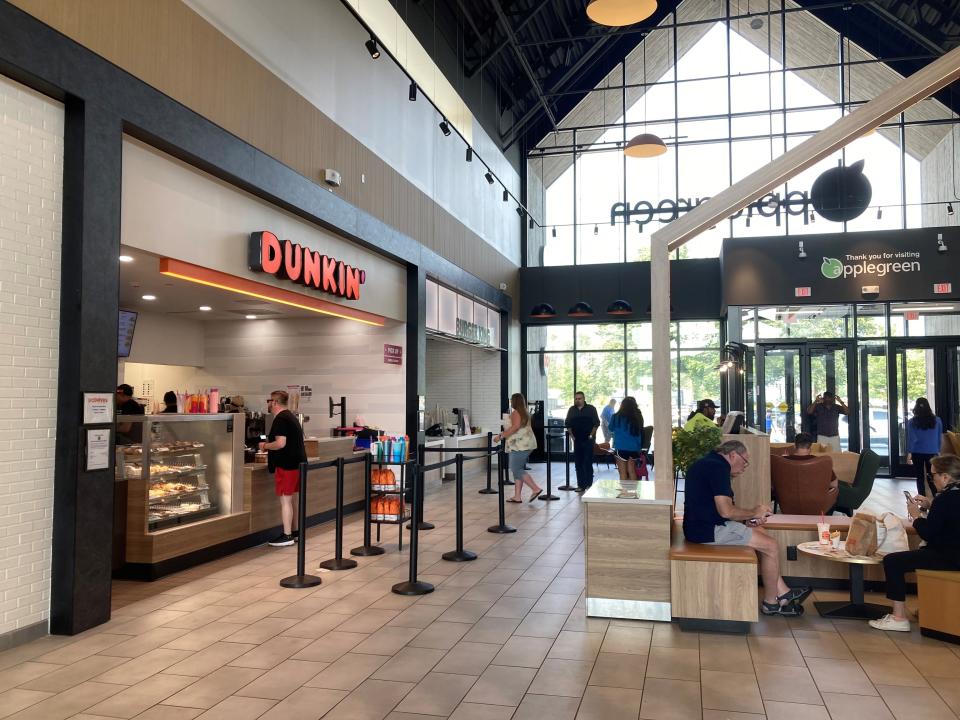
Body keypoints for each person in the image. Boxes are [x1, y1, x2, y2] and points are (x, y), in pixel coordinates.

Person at [682, 440, 812, 616]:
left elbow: (714, 509)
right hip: (707, 530)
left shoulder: (708, 463)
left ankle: (783, 593)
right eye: (744, 461)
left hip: (699, 526)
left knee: (761, 533)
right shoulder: (719, 468)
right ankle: (771, 603)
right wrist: (753, 512)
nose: (745, 467)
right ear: (733, 455)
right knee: (771, 545)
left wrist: (748, 520)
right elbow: (726, 511)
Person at [869, 454, 960, 632]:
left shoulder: (944, 499)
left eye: (932, 476)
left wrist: (916, 516)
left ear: (945, 476)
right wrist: (930, 505)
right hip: (954, 552)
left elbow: (929, 533)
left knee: (893, 561)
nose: (931, 480)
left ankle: (898, 617)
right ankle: (931, 608)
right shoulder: (950, 496)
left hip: (949, 556)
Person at [260, 390, 307, 547]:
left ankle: (287, 536)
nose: (268, 403)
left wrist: (265, 446)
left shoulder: (280, 419)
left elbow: (280, 443)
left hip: (287, 465)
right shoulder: (290, 416)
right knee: (291, 499)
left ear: (274, 402)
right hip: (298, 464)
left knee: (285, 500)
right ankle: (295, 532)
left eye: (269, 400)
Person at [495, 393, 542, 503]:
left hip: (519, 445)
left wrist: (501, 436)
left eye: (511, 400)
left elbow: (515, 427)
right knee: (518, 469)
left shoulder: (516, 413)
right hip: (526, 444)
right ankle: (517, 496)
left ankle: (535, 488)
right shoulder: (524, 412)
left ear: (515, 401)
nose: (510, 402)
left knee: (516, 469)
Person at [906, 397, 943, 498]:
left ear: (916, 407)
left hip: (917, 452)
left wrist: (909, 453)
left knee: (920, 478)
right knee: (932, 476)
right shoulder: (937, 420)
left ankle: (922, 502)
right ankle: (936, 499)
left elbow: (911, 439)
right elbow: (939, 438)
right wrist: (939, 451)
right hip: (932, 452)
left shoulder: (912, 422)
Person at [565, 391, 600, 493]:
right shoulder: (572, 410)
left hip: (588, 440)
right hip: (577, 440)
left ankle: (589, 484)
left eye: (579, 398)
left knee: (587, 462)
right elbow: (567, 424)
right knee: (578, 463)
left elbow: (596, 423)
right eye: (576, 398)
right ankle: (581, 485)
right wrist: (572, 436)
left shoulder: (591, 409)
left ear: (584, 399)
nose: (577, 400)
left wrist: (591, 435)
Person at [609, 396, 644, 481]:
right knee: (632, 471)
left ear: (622, 405)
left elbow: (610, 428)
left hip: (621, 447)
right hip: (634, 448)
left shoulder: (616, 416)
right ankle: (633, 493)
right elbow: (641, 430)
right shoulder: (638, 417)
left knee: (623, 473)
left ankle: (624, 493)